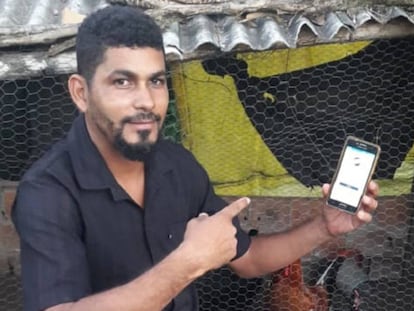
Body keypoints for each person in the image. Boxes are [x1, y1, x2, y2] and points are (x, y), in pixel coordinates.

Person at [11, 4, 379, 311]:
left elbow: (249, 259)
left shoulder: (176, 165)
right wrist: (189, 262)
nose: (147, 101)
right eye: (122, 82)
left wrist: (324, 227)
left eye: (156, 81)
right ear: (81, 93)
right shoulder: (48, 192)